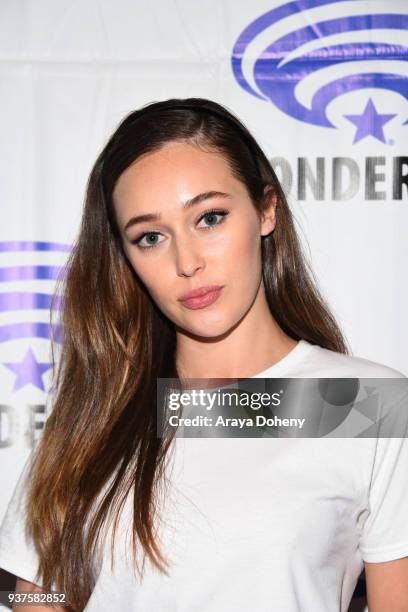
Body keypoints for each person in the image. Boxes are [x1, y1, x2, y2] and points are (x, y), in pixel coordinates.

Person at [0, 97, 407, 612]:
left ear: (266, 210)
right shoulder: (99, 412)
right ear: (125, 256)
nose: (186, 261)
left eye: (210, 218)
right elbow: (36, 590)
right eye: (150, 237)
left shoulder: (364, 406)